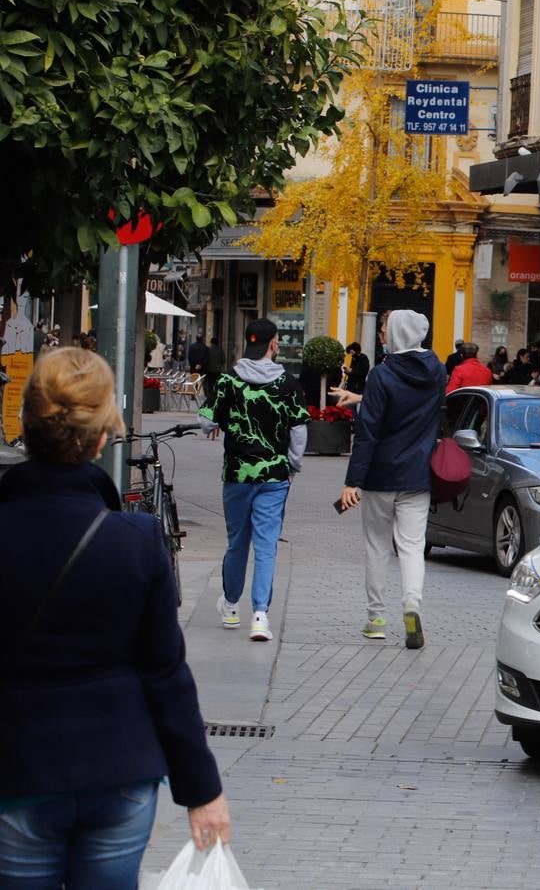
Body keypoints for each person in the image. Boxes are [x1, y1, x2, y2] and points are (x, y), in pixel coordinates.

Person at [0, 348, 230, 885]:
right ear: (102, 437)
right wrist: (202, 790)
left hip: (17, 767)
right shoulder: (135, 539)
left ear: (26, 423)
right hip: (120, 770)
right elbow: (165, 673)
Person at [199, 319, 310, 642]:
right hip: (274, 475)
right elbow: (299, 430)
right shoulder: (288, 383)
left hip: (236, 474)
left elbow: (205, 421)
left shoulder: (229, 381)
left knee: (237, 542)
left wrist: (219, 425)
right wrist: (293, 464)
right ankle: (260, 615)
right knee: (266, 545)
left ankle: (231, 605)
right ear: (273, 344)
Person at [341, 311, 446, 649]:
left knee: (377, 546)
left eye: (386, 330)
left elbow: (368, 432)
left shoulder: (380, 375)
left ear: (398, 333)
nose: (382, 334)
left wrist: (352, 480)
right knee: (413, 547)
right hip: (418, 474)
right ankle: (412, 604)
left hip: (380, 475)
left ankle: (375, 619)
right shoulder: (437, 372)